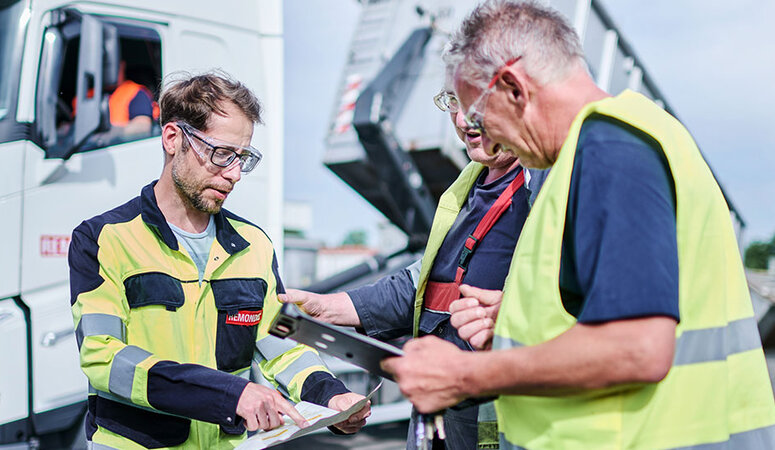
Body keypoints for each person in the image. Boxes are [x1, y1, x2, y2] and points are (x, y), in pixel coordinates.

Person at [382, 1, 775, 448]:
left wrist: (465, 373)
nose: (481, 134)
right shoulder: (607, 145)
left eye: (477, 116)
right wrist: (518, 323)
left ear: (513, 87)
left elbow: (637, 348)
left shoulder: (609, 150)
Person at [68, 71, 370, 449]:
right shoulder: (104, 239)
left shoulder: (253, 245)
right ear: (172, 138)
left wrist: (329, 395)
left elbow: (279, 344)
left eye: (242, 157)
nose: (234, 174)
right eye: (222, 154)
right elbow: (104, 358)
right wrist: (228, 395)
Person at [281, 73, 544, 449]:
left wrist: (513, 316)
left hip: (500, 416)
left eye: (474, 103)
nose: (460, 120)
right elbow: (424, 285)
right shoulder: (469, 182)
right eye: (452, 101)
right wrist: (328, 306)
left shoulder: (546, 186)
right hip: (439, 414)